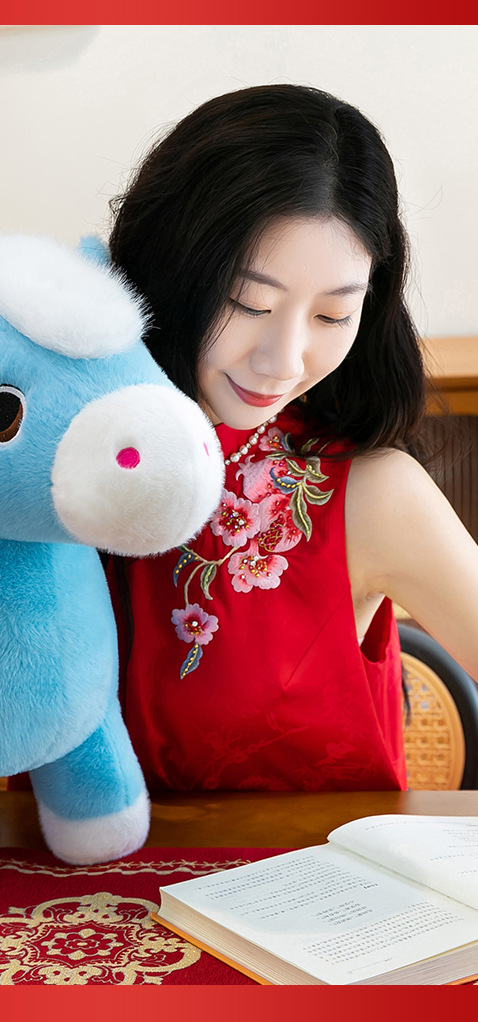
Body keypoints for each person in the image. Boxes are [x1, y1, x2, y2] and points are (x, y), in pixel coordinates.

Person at [106, 84, 478, 792]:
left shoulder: (374, 495)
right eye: (248, 303)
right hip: (51, 865)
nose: (284, 360)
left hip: (310, 866)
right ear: (170, 267)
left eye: (333, 316)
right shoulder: (52, 454)